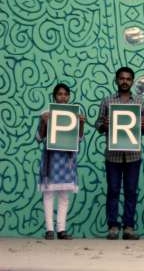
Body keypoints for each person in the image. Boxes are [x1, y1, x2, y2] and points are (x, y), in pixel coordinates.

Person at [95, 66, 144, 240]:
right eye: (121, 78)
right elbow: (98, 126)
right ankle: (112, 226)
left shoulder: (140, 102)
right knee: (113, 190)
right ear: (116, 80)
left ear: (132, 81)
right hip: (113, 156)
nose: (124, 81)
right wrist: (104, 124)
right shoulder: (107, 101)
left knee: (131, 191)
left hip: (133, 156)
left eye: (128, 79)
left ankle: (128, 227)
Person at [36, 84, 85, 240]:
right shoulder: (46, 113)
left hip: (67, 160)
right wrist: (43, 122)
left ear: (69, 96)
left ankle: (61, 229)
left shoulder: (73, 115)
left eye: (65, 94)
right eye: (59, 94)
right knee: (49, 194)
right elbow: (39, 138)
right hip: (51, 159)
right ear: (54, 96)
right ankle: (49, 229)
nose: (62, 97)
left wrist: (81, 123)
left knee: (64, 196)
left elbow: (79, 139)